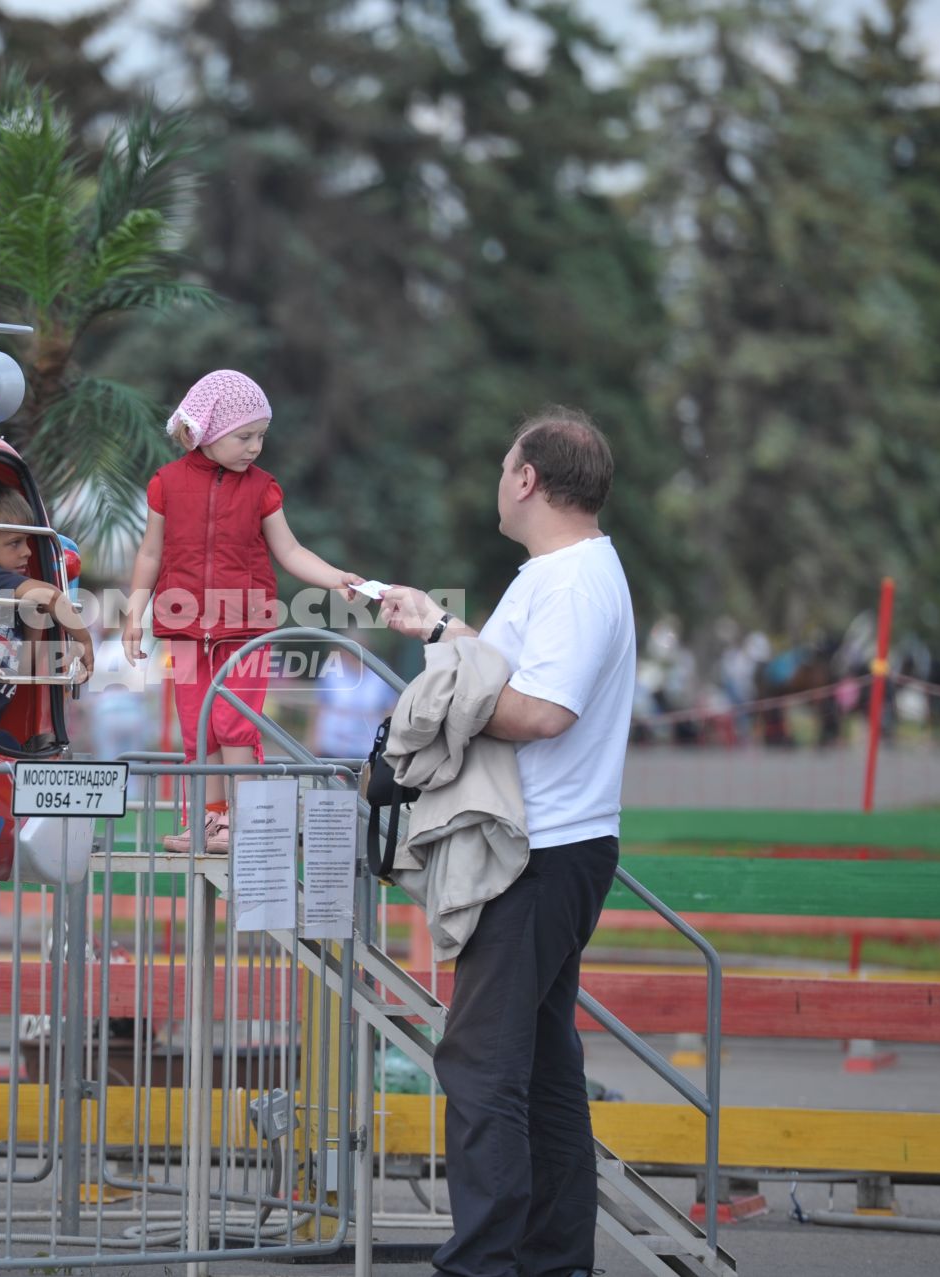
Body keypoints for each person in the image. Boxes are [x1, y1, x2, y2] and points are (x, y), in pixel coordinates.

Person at [376, 407, 636, 1277]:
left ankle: (484, 1261)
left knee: (482, 1064)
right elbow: (506, 671)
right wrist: (439, 632)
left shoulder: (569, 581)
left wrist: (438, 704)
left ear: (528, 480)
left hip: (539, 850)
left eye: (502, 468)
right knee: (545, 1067)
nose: (498, 482)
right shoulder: (559, 573)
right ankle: (551, 1258)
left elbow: (540, 711)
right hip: (557, 845)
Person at [119, 370, 361, 852]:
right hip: (183, 627)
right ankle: (208, 825)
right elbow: (150, 553)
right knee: (197, 727)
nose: (255, 447)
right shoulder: (165, 484)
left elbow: (289, 552)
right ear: (205, 431)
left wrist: (335, 576)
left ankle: (244, 822)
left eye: (261, 437)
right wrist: (133, 614)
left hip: (244, 627)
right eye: (244, 436)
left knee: (234, 722)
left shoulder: (262, 488)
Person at [0, 484, 93, 750]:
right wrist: (85, 641)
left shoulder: (12, 596)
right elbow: (52, 597)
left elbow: (22, 668)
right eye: (14, 543)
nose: (28, 552)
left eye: (28, 542)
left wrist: (33, 623)